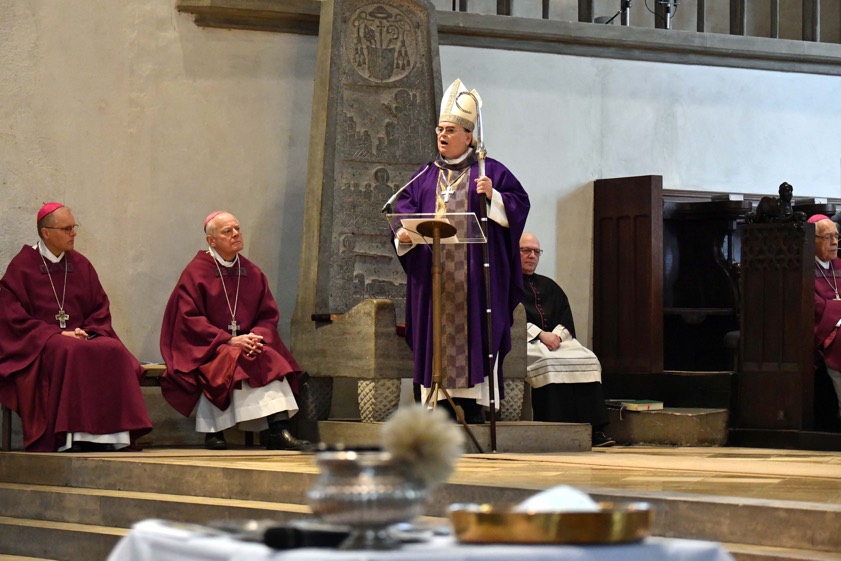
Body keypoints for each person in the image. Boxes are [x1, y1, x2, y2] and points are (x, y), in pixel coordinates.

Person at [392, 79, 530, 423]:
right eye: (440, 129)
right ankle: (437, 407)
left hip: (474, 282)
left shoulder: (489, 171)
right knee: (435, 337)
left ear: (468, 136)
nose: (442, 135)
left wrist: (494, 197)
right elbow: (402, 210)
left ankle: (472, 407)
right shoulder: (425, 175)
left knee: (475, 336)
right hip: (434, 279)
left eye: (450, 130)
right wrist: (404, 235)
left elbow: (519, 205)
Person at [0, 202, 152, 452]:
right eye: (66, 229)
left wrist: (88, 330)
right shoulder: (22, 266)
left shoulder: (81, 264)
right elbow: (11, 317)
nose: (74, 233)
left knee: (113, 350)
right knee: (69, 349)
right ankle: (71, 437)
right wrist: (56, 333)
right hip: (43, 343)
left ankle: (113, 437)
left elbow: (99, 307)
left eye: (74, 227)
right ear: (46, 233)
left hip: (81, 336)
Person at [160, 211, 310, 450]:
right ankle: (214, 432)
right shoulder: (196, 272)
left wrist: (255, 337)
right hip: (210, 346)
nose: (236, 234)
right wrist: (227, 340)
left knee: (266, 356)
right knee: (230, 358)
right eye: (227, 231)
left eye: (237, 229)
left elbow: (267, 315)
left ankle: (278, 431)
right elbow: (188, 319)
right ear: (211, 241)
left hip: (247, 342)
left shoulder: (252, 272)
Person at [520, 232, 615, 447]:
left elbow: (565, 315)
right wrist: (540, 335)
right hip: (527, 342)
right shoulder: (505, 285)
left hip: (557, 341)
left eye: (536, 251)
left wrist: (557, 336)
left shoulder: (549, 285)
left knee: (588, 359)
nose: (532, 255)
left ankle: (594, 431)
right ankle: (554, 430)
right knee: (549, 363)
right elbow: (507, 318)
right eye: (526, 250)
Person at [809, 214, 841, 423]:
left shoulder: (840, 265)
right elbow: (814, 304)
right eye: (828, 237)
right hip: (820, 327)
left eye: (836, 236)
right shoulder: (804, 268)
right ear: (812, 241)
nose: (835, 242)